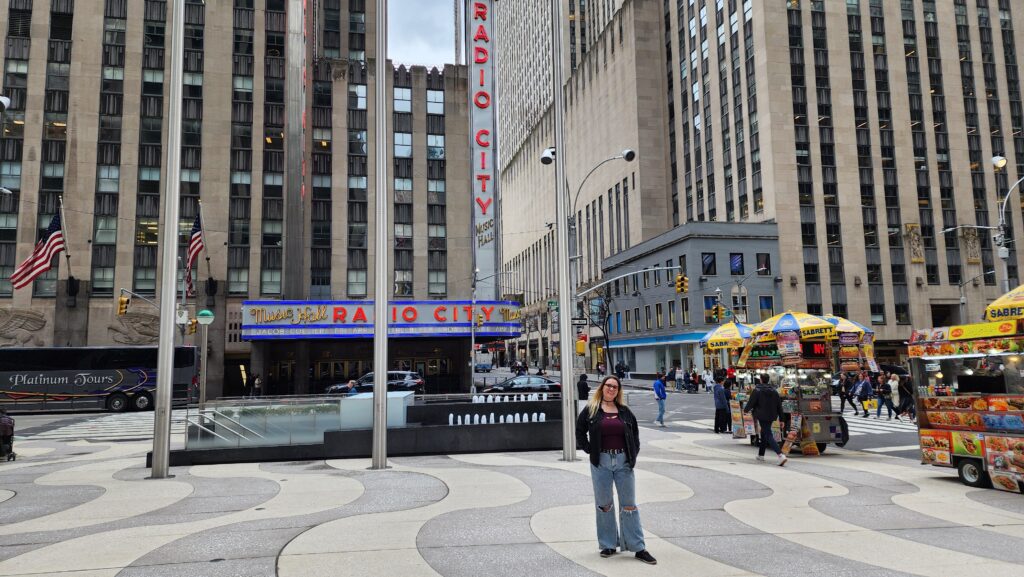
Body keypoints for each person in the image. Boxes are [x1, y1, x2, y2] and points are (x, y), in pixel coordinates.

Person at [575, 376, 658, 564]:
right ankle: (608, 544)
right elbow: (579, 431)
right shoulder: (591, 410)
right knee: (604, 504)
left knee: (629, 505)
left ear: (618, 391)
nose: (611, 389)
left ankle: (638, 547)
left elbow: (635, 435)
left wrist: (633, 455)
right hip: (601, 461)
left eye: (615, 387)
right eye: (608, 385)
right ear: (602, 387)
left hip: (623, 461)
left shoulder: (625, 412)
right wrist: (589, 449)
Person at [744, 374, 788, 466]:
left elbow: (751, 402)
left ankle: (780, 455)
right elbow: (779, 405)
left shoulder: (757, 390)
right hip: (772, 415)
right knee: (764, 433)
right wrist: (782, 419)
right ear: (768, 380)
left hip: (761, 415)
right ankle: (761, 455)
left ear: (760, 380)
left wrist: (745, 410)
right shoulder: (774, 391)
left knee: (768, 434)